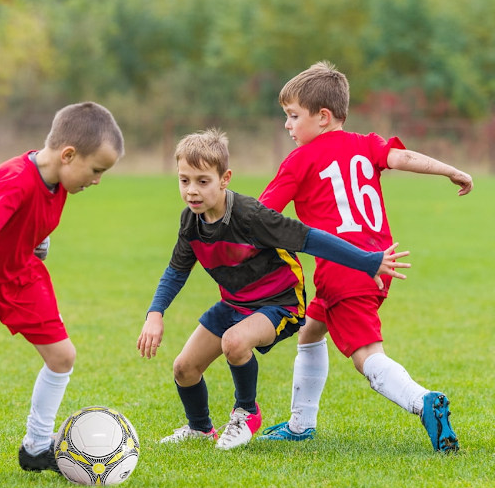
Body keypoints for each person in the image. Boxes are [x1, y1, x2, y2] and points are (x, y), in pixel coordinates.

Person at [137, 128, 410, 450]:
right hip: (236, 303)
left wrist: (367, 260)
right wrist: (155, 313)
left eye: (202, 181)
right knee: (184, 368)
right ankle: (200, 428)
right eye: (184, 181)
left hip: (280, 303)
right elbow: (176, 270)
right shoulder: (191, 222)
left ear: (225, 179)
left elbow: (311, 238)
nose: (192, 191)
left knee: (234, 342)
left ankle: (246, 412)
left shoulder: (251, 216)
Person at [257, 61, 473, 452]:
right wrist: (451, 171)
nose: (287, 125)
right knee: (311, 330)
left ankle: (422, 401)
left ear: (322, 117)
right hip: (379, 261)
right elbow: (404, 159)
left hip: (344, 268)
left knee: (367, 357)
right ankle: (301, 423)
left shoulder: (299, 161)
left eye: (292, 116)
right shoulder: (365, 143)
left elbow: (262, 215)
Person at [0, 102, 124, 478]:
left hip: (20, 273)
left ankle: (36, 447)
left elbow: (35, 220)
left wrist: (39, 245)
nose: (97, 179)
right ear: (68, 155)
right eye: (96, 170)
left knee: (62, 356)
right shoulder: (15, 178)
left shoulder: (58, 180)